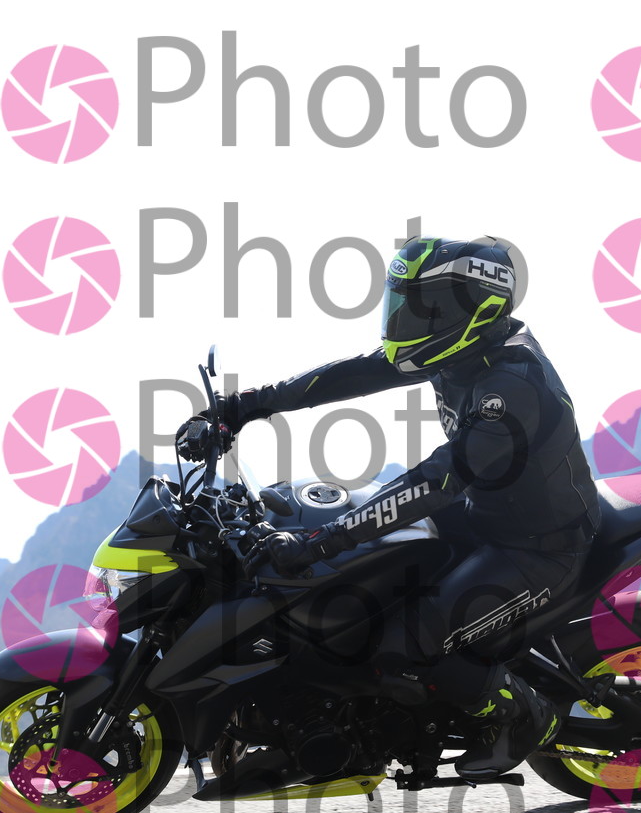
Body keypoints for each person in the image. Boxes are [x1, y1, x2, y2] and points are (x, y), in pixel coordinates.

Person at [176, 236, 601, 780]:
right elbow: (352, 375)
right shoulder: (459, 351)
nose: (407, 320)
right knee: (361, 587)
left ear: (477, 308)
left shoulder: (511, 386)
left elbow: (435, 481)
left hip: (540, 546)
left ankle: (526, 718)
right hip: (484, 515)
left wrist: (319, 542)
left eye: (428, 307)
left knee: (410, 643)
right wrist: (240, 407)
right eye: (404, 303)